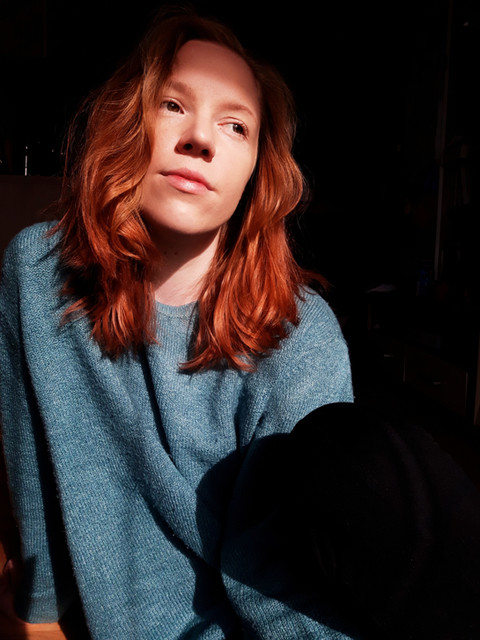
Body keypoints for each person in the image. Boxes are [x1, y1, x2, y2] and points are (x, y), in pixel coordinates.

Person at [0, 7, 357, 640]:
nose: (200, 139)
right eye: (172, 105)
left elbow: (299, 584)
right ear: (126, 126)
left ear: (256, 173)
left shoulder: (300, 336)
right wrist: (36, 616)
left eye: (235, 125)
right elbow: (34, 486)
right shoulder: (36, 276)